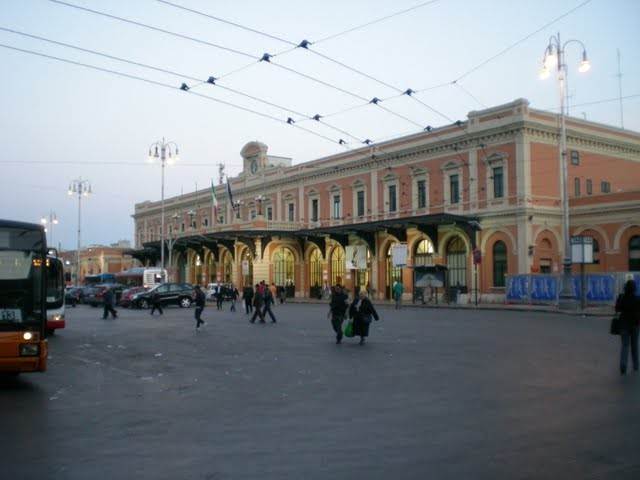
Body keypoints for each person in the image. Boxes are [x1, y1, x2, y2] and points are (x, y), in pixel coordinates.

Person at [615, 279, 640, 375]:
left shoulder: (621, 297)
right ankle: (636, 365)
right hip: (635, 324)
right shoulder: (637, 299)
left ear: (625, 288)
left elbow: (617, 309)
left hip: (624, 324)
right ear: (634, 289)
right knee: (635, 346)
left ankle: (623, 365)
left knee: (625, 345)